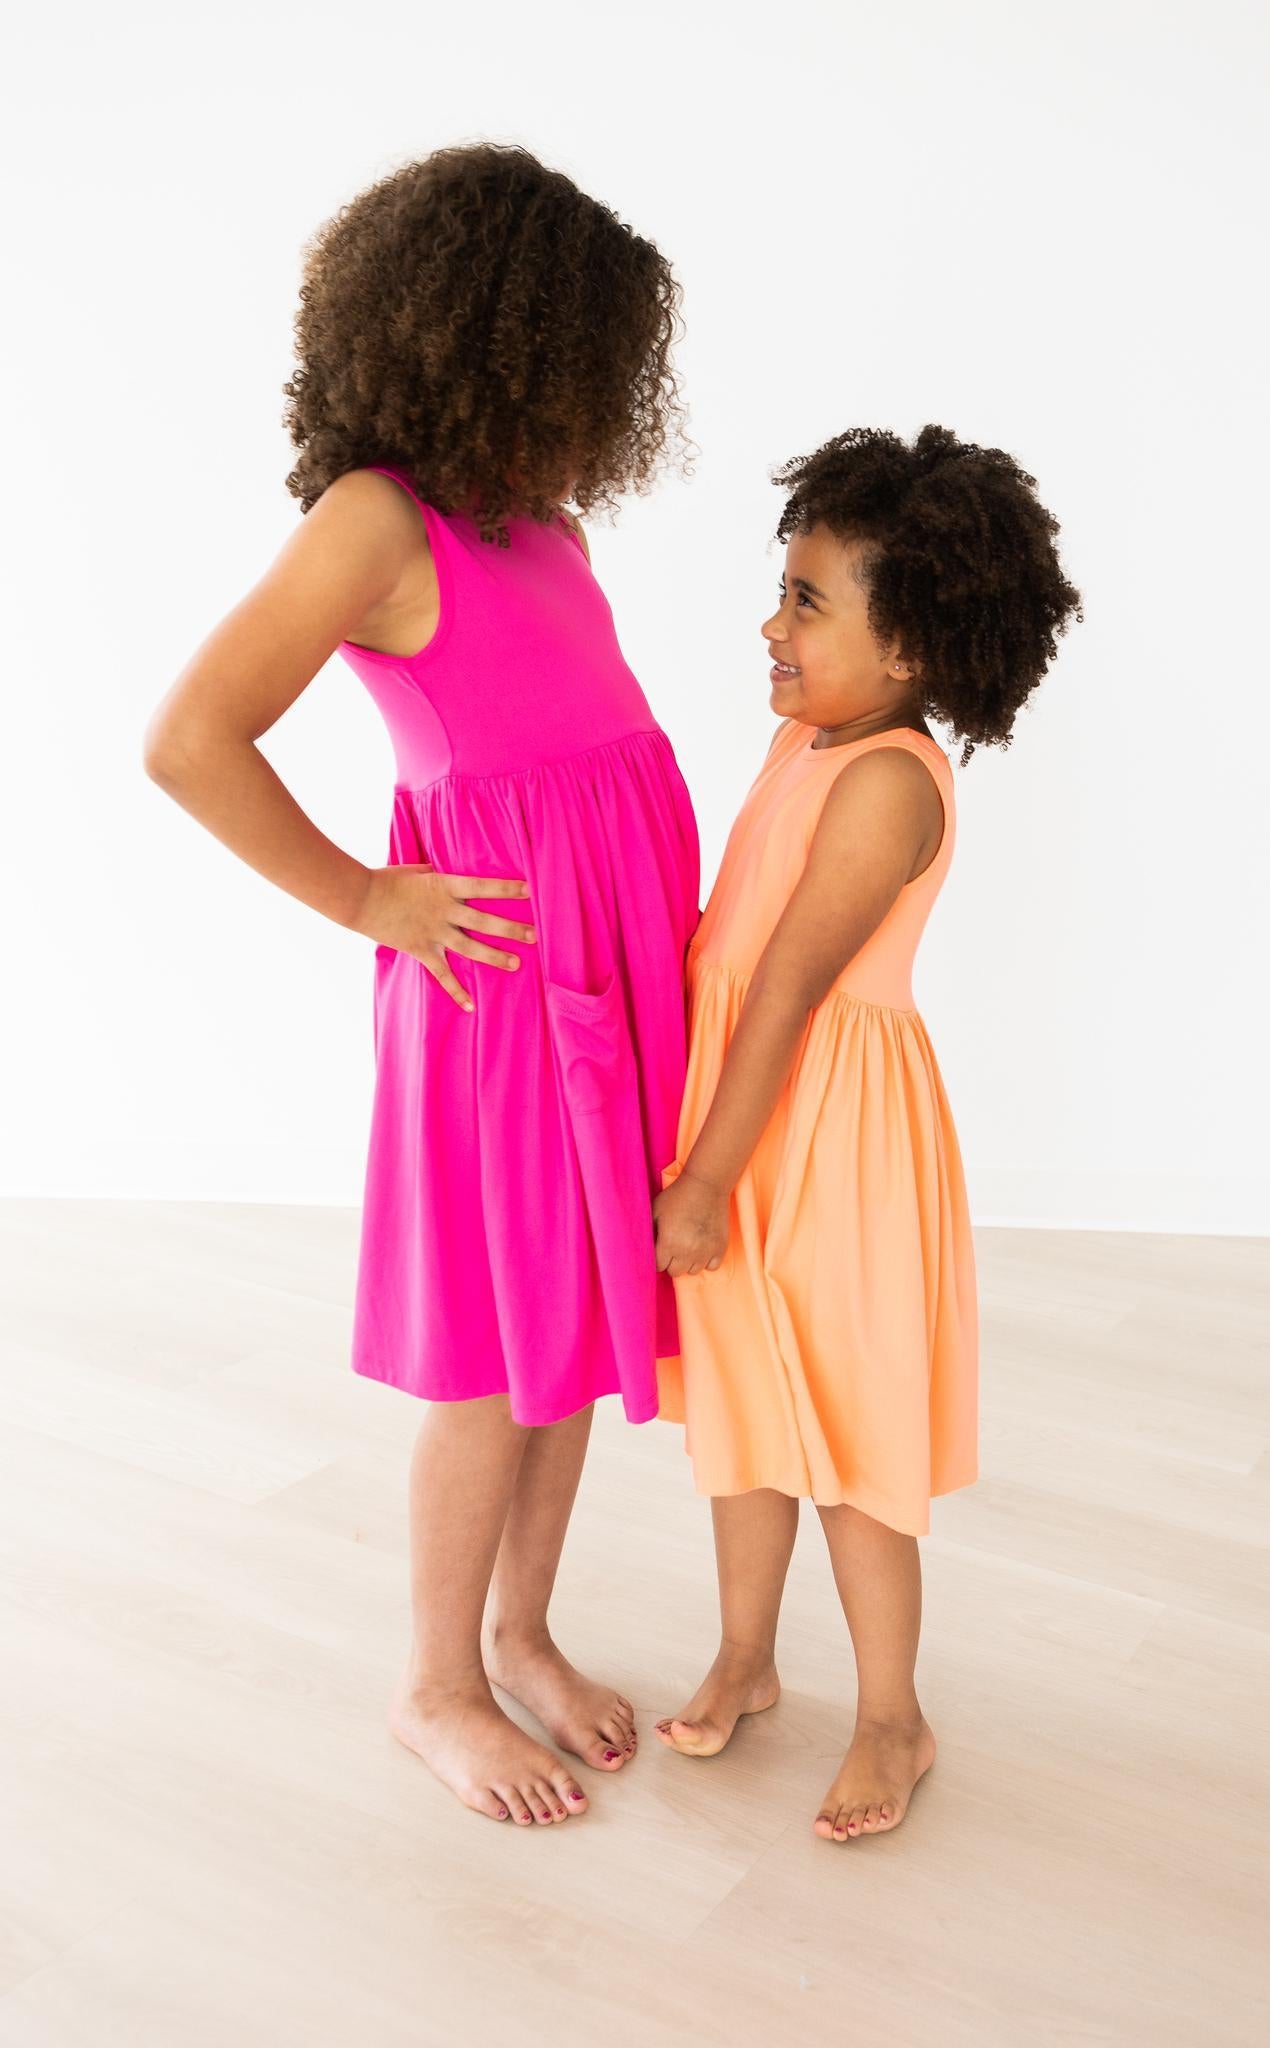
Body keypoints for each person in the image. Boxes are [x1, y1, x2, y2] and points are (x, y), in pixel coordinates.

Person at [144, 143, 700, 1829]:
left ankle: (523, 1632)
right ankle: (435, 1681)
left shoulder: (532, 511)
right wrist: (371, 897)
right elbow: (187, 739)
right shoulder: (374, 521)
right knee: (490, 1350)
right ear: (490, 341)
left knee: (582, 1317)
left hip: (607, 972)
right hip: (506, 987)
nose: (594, 405)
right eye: (576, 365)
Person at [652, 424, 1081, 1842]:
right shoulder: (804, 742)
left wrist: (707, 1172)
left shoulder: (884, 781)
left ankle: (893, 1714)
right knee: (743, 1409)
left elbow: (787, 982)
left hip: (824, 1144)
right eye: (781, 590)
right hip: (749, 1110)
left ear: (906, 649)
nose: (770, 624)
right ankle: (745, 1653)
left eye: (806, 601)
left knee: (845, 1431)